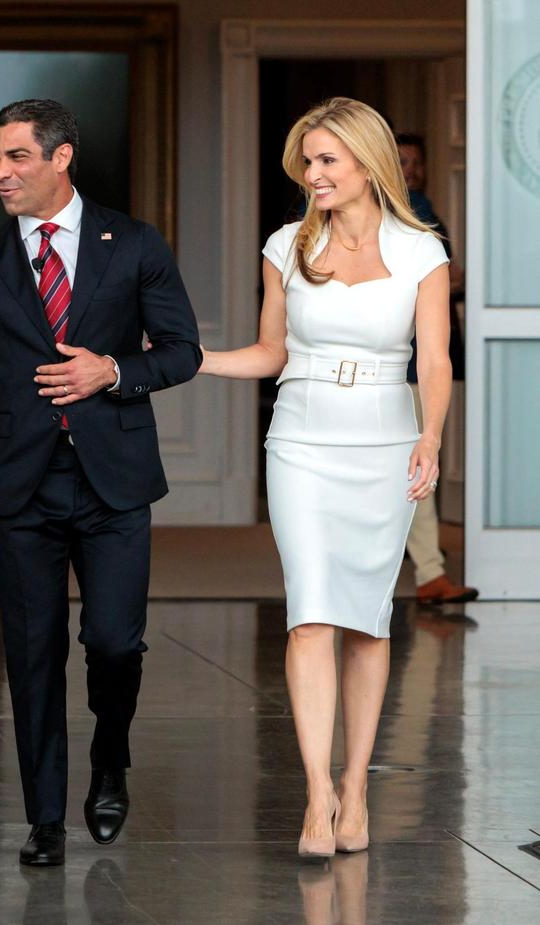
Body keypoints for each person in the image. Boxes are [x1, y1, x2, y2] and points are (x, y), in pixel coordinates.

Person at [0, 100, 202, 866]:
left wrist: (112, 369)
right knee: (31, 652)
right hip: (21, 484)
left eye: (16, 157)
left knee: (115, 643)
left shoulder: (134, 244)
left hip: (114, 480)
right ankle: (45, 816)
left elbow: (181, 351)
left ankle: (110, 754)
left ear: (61, 159)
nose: (0, 173)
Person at [198, 98, 452, 858]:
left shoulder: (421, 252)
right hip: (302, 441)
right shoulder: (285, 244)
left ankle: (357, 785)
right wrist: (194, 359)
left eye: (327, 161)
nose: (312, 174)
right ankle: (317, 792)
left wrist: (431, 435)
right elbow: (271, 351)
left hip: (384, 442)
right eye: (307, 161)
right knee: (309, 612)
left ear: (367, 163)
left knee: (367, 621)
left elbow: (433, 361)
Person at [395, 132, 477, 605]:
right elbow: (449, 274)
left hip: (412, 359)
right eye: (401, 161)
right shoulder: (414, 205)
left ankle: (427, 566)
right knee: (418, 464)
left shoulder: (411, 204)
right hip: (408, 362)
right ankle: (429, 572)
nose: (409, 171)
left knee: (415, 462)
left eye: (415, 163)